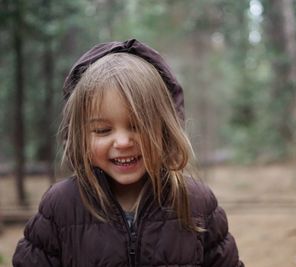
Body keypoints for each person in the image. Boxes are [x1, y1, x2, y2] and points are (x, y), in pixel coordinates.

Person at [12, 38, 244, 267]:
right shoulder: (60, 207)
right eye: (103, 130)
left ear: (164, 129)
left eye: (138, 126)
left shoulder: (196, 203)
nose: (123, 142)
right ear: (80, 137)